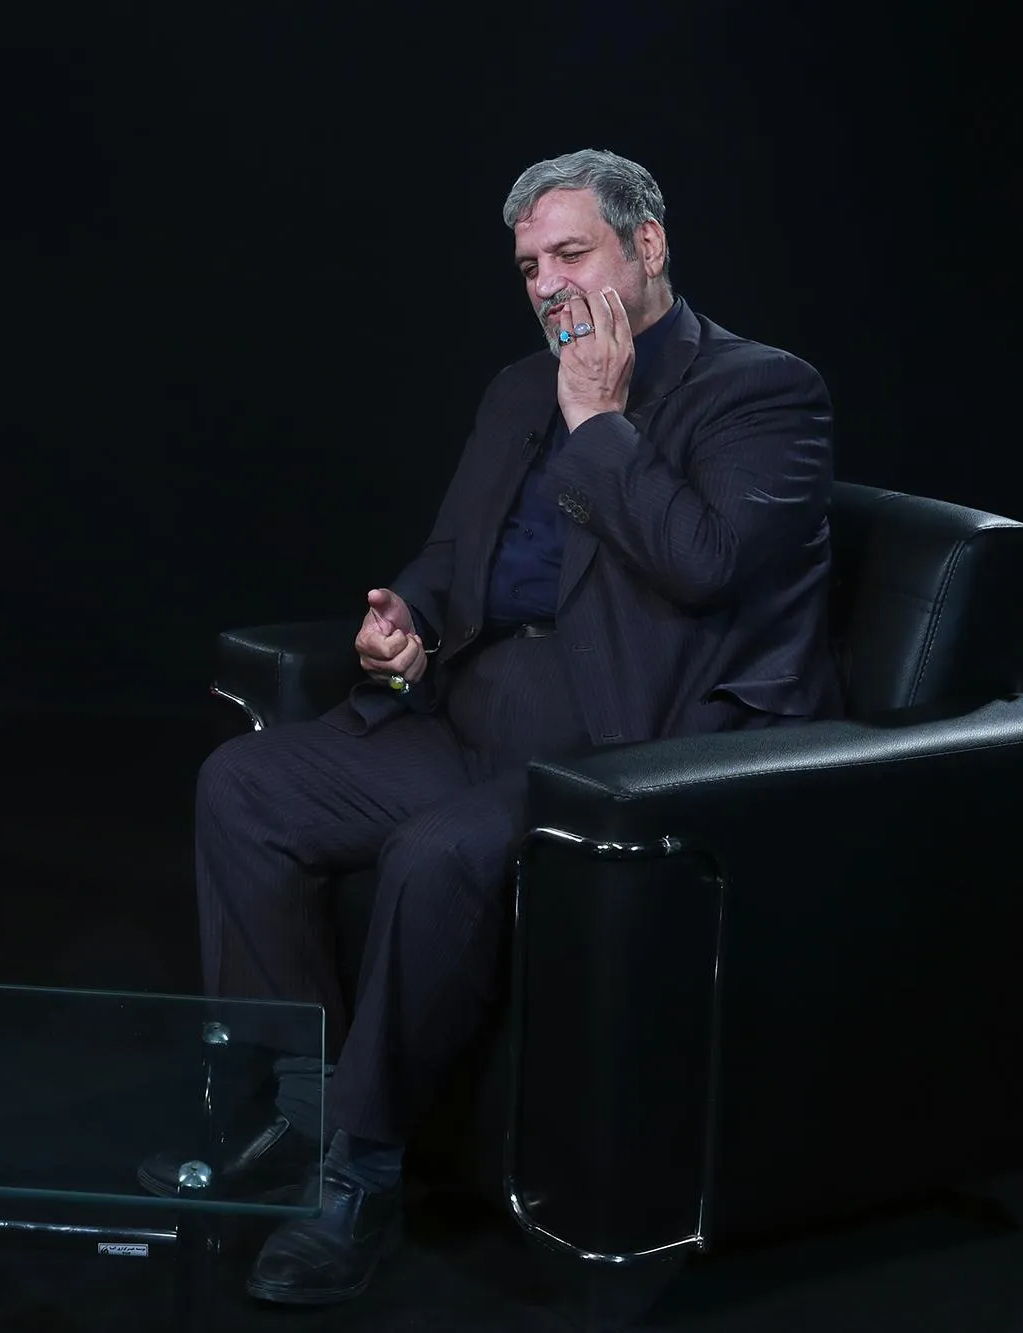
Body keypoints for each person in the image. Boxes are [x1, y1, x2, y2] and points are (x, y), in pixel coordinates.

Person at [141, 148, 843, 1305]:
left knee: (434, 858)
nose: (549, 284)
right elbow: (456, 549)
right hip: (473, 708)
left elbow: (706, 564)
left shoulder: (759, 391)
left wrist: (599, 419)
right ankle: (293, 1111)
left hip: (621, 747)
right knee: (244, 783)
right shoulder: (518, 386)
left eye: (572, 253)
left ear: (646, 244)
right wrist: (407, 616)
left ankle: (360, 1170)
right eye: (528, 267)